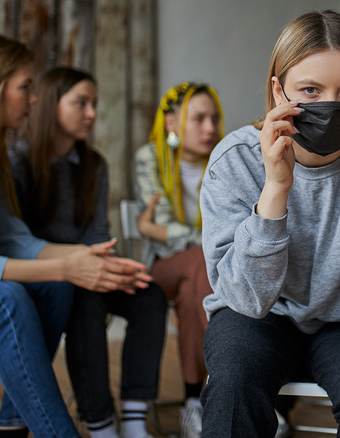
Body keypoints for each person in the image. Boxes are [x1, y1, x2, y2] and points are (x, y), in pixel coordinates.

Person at [198, 10, 340, 437]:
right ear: (277, 91)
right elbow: (246, 299)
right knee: (232, 383)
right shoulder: (234, 160)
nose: (330, 104)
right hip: (260, 317)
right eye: (310, 90)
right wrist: (274, 189)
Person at [0, 33, 152, 438]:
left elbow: (12, 237)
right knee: (7, 300)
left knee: (57, 287)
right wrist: (67, 265)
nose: (34, 99)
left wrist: (83, 260)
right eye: (25, 87)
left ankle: (12, 429)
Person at [10, 66, 167, 438]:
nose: (92, 113)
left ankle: (133, 418)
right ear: (50, 105)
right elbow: (15, 240)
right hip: (44, 276)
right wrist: (80, 263)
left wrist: (108, 265)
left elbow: (99, 231)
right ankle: (100, 423)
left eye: (94, 104)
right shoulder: (17, 161)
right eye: (81, 103)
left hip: (90, 265)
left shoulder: (94, 165)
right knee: (86, 298)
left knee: (150, 294)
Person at [133, 81, 224, 435]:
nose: (210, 128)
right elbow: (166, 235)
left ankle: (192, 403)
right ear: (171, 123)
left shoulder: (224, 157)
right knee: (198, 262)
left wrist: (159, 230)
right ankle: (235, 385)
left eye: (213, 118)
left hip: (204, 272)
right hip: (161, 267)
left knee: (192, 292)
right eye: (198, 118)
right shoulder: (150, 158)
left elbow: (164, 228)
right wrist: (159, 232)